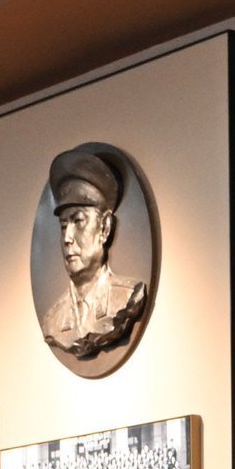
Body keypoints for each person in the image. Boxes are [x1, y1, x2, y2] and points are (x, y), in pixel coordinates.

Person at [39, 148, 151, 365]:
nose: (67, 238)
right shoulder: (53, 320)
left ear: (105, 228)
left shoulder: (127, 296)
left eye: (78, 221)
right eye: (63, 226)